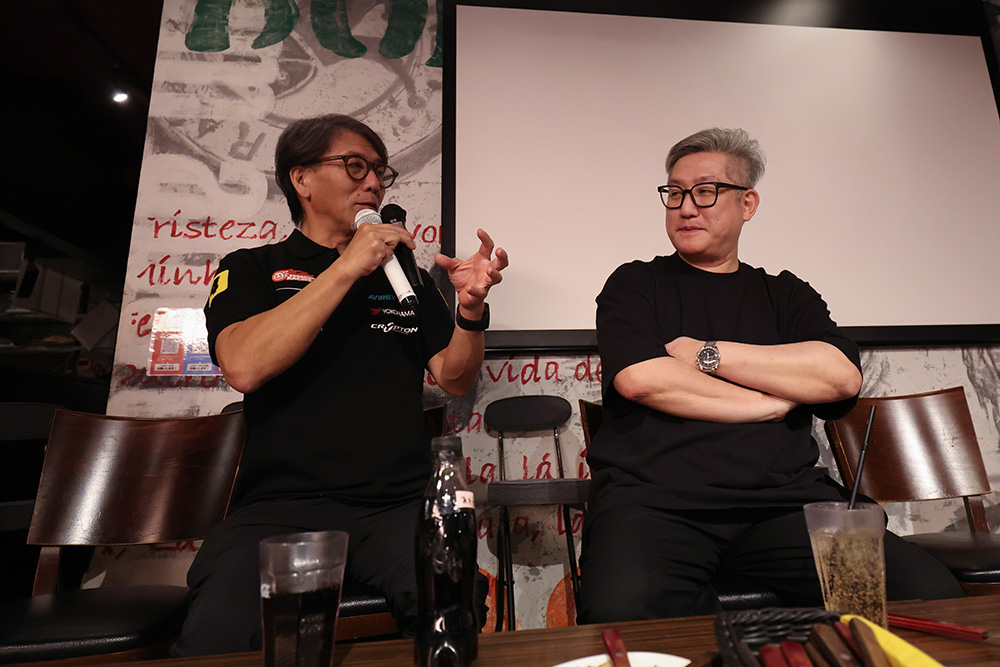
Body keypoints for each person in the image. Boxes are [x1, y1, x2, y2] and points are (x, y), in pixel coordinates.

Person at [577, 128, 962, 623]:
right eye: (674, 193)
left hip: (784, 506)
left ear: (748, 203)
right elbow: (643, 379)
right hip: (654, 505)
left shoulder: (785, 295)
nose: (686, 207)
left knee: (926, 596)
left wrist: (704, 353)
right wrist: (769, 402)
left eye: (705, 191)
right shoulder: (635, 284)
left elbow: (839, 378)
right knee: (621, 612)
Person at [172, 114, 507, 656]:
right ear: (301, 178)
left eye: (379, 171)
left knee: (451, 603)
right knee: (217, 633)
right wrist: (346, 267)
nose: (373, 182)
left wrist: (470, 311)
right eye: (355, 166)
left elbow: (454, 375)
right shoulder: (252, 267)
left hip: (396, 505)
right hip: (279, 509)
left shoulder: (403, 276)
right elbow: (244, 366)